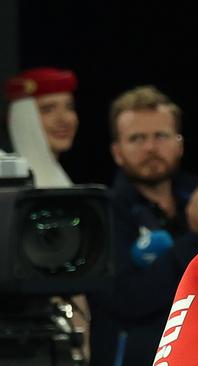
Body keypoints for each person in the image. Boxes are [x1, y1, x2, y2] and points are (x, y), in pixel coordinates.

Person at [87, 85, 198, 366]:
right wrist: (196, 238)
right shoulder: (103, 213)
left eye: (161, 136)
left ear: (179, 144)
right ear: (117, 152)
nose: (150, 147)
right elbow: (124, 298)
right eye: (137, 138)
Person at [3, 67, 91, 364]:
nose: (64, 119)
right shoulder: (13, 193)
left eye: (69, 107)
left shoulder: (63, 182)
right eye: (48, 109)